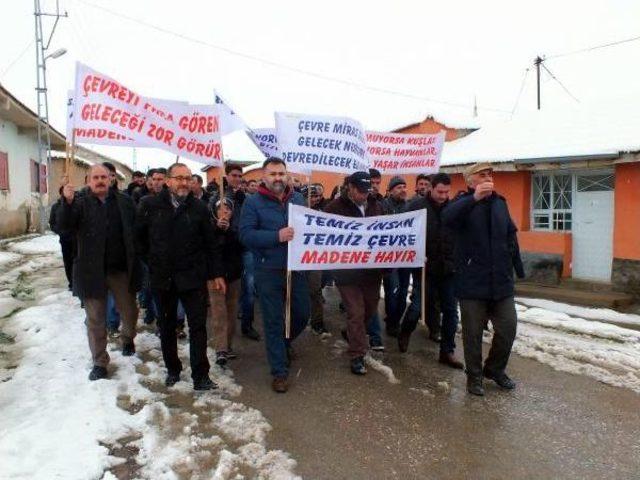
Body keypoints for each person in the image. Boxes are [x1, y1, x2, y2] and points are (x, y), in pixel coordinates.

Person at [135, 162, 223, 390]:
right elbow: (139, 240)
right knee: (166, 327)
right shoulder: (150, 205)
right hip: (162, 279)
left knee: (198, 327)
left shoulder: (199, 207)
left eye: (188, 178)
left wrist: (215, 273)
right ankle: (173, 369)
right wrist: (154, 262)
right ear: (168, 180)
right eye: (179, 178)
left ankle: (201, 376)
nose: (184, 182)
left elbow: (210, 243)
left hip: (192, 277)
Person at [442, 163, 525, 396]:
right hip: (472, 282)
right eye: (482, 175)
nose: (488, 177)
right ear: (470, 181)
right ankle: (474, 376)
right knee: (473, 334)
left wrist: (517, 269)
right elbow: (447, 219)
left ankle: (495, 369)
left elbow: (511, 236)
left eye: (490, 174)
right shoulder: (461, 203)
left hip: (501, 282)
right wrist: (474, 199)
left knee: (508, 327)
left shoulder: (500, 203)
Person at [57, 164, 141, 381]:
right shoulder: (79, 202)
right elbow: (62, 226)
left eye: (104, 177)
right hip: (90, 271)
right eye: (96, 177)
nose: (100, 180)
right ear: (88, 180)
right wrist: (65, 201)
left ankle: (127, 338)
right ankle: (99, 362)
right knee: (95, 319)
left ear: (111, 179)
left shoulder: (124, 201)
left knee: (130, 312)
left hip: (120, 269)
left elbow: (137, 230)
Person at [239, 157, 309, 393]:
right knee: (273, 320)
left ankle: (284, 342)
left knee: (301, 314)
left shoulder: (298, 199)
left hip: (295, 267)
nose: (278, 178)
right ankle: (279, 371)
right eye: (273, 174)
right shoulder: (252, 203)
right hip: (268, 269)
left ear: (287, 175)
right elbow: (246, 235)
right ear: (263, 176)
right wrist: (275, 236)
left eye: (281, 173)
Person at [399, 173, 463, 369]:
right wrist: (415, 252)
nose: (443, 195)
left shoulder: (453, 209)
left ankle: (447, 351)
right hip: (424, 267)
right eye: (439, 191)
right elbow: (403, 231)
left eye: (446, 191)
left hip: (449, 268)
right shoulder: (416, 207)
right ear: (431, 189)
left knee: (451, 312)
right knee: (418, 305)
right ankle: (405, 330)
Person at [325, 172, 384, 375]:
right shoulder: (334, 208)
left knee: (369, 308)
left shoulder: (376, 205)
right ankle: (357, 354)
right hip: (346, 271)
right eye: (360, 191)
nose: (363, 195)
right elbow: (323, 234)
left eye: (367, 191)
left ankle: (351, 332)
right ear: (349, 187)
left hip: (371, 271)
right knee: (356, 312)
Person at [208, 197, 243, 367]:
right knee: (218, 311)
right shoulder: (208, 226)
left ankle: (228, 345)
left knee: (231, 310)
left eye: (227, 209)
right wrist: (217, 230)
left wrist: (228, 231)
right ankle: (220, 348)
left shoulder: (237, 227)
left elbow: (242, 245)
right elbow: (207, 247)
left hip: (234, 275)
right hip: (215, 276)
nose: (224, 212)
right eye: (220, 209)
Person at [381, 176, 410, 337]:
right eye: (398, 187)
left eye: (404, 187)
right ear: (391, 191)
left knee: (404, 291)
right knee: (393, 291)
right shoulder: (383, 206)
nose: (403, 190)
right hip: (389, 257)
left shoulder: (410, 207)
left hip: (406, 256)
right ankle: (392, 322)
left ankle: (395, 319)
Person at [307, 183, 330, 336]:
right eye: (312, 196)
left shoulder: (322, 211)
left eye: (317, 196)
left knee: (315, 290)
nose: (315, 199)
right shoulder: (295, 210)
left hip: (316, 256)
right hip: (298, 257)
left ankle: (317, 322)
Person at [49, 186, 76, 291]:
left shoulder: (77, 205)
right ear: (61, 193)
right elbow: (52, 223)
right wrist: (60, 231)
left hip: (77, 239)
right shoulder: (56, 207)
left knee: (77, 261)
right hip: (65, 240)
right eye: (66, 191)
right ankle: (71, 283)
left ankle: (77, 283)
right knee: (68, 261)